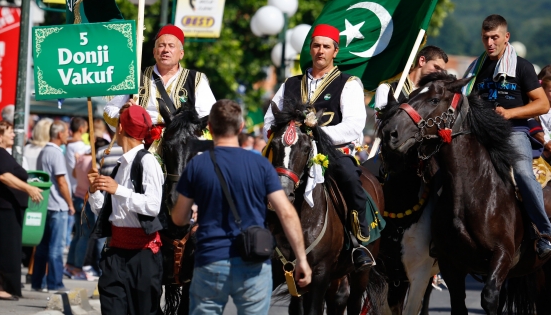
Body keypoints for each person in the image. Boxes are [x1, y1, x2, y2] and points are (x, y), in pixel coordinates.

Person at [172, 99, 312, 314]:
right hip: (252, 261)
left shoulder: (197, 165)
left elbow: (179, 218)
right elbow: (286, 213)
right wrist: (302, 259)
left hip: (211, 260)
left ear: (209, 127)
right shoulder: (260, 165)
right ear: (240, 128)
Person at [263, 24, 373, 270]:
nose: (320, 51)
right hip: (291, 153)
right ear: (310, 49)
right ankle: (259, 233)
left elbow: (354, 126)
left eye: (326, 46)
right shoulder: (291, 83)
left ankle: (358, 240)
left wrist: (316, 138)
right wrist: (282, 136)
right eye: (316, 46)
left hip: (330, 153)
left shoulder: (348, 83)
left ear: (335, 51)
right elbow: (270, 119)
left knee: (350, 178)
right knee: (261, 178)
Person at [463, 14, 551, 259]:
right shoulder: (475, 67)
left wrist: (511, 113)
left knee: (523, 173)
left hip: (513, 132)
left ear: (506, 37)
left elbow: (543, 104)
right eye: (485, 38)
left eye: (495, 37)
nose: (490, 43)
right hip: (480, 133)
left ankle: (543, 232)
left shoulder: (522, 66)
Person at [88, 104, 164, 315]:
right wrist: (95, 191)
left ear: (120, 127)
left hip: (142, 256)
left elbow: (152, 206)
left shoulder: (148, 162)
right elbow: (108, 213)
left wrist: (119, 190)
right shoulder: (120, 166)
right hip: (115, 253)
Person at [103, 25, 216, 130]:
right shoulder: (136, 77)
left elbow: (209, 116)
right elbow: (109, 111)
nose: (166, 50)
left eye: (171, 46)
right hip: (143, 144)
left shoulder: (196, 80)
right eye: (161, 46)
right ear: (154, 52)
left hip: (181, 146)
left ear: (181, 54)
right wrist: (124, 114)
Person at [0, 121, 43, 301]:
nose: (14, 135)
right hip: (3, 209)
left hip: (1, 207)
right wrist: (28, 189)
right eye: (10, 132)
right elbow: (3, 176)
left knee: (0, 248)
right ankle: (0, 288)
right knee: (5, 248)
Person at [32, 121, 75, 292]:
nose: (68, 134)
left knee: (43, 247)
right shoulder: (56, 153)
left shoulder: (44, 151)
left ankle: (38, 282)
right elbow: (62, 181)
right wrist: (70, 204)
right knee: (56, 248)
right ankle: (55, 283)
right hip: (58, 205)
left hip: (46, 205)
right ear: (59, 134)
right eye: (66, 132)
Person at [66, 137, 110, 281]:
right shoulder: (94, 162)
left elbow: (73, 174)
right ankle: (78, 268)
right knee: (85, 236)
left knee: (78, 235)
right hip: (87, 200)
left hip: (77, 196)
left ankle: (71, 265)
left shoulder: (81, 158)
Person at [374, 45, 448, 119]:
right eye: (436, 67)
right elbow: (380, 123)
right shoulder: (387, 89)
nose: (439, 73)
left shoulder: (433, 97)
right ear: (422, 61)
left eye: (442, 71)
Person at [65, 118, 90, 252]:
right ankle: (76, 265)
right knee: (82, 234)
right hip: (82, 191)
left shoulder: (69, 145)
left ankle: (71, 263)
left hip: (73, 189)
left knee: (76, 232)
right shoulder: (83, 148)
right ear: (81, 129)